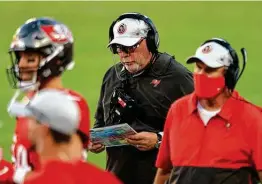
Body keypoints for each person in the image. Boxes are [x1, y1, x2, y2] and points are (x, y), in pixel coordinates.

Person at [89, 12, 194, 184]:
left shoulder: (178, 78)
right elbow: (101, 120)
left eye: (130, 47)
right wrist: (96, 140)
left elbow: (203, 131)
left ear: (150, 42)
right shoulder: (112, 75)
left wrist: (159, 140)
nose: (124, 54)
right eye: (119, 48)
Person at [154, 38, 262, 184]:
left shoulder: (252, 118)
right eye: (198, 67)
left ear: (228, 76)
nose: (201, 74)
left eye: (210, 70)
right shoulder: (178, 110)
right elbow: (164, 171)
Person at [0, 17, 90, 184]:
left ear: (56, 59)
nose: (21, 64)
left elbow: (61, 175)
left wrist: (5, 172)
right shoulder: (29, 101)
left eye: (30, 58)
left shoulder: (70, 105)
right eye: (20, 57)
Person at [7, 89, 122, 184]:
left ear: (43, 129)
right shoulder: (105, 180)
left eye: (30, 120)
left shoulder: (39, 180)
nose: (25, 126)